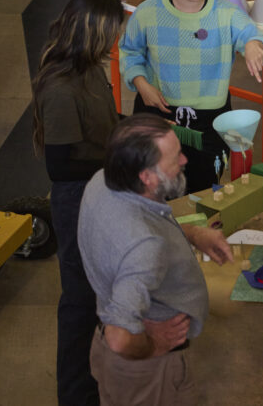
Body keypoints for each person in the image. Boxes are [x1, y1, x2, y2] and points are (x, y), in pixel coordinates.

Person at [78, 114, 234, 405]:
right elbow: (119, 338)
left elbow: (140, 226)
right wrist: (154, 344)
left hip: (111, 353)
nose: (185, 161)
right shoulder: (143, 247)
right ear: (146, 177)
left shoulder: (103, 182)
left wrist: (192, 234)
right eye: (175, 158)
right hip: (147, 372)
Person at [119, 0, 263, 192]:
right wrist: (141, 83)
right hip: (160, 113)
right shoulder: (148, 12)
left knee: (202, 190)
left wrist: (253, 45)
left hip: (210, 122)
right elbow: (130, 51)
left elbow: (254, 35)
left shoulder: (225, 13)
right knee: (153, 188)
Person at [32, 0, 125, 406]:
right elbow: (59, 166)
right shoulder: (60, 87)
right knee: (79, 303)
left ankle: (98, 382)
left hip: (99, 189)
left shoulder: (89, 66)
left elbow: (101, 123)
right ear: (93, 33)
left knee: (98, 295)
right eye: (112, 34)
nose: (116, 42)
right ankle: (74, 395)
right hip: (75, 202)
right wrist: (119, 165)